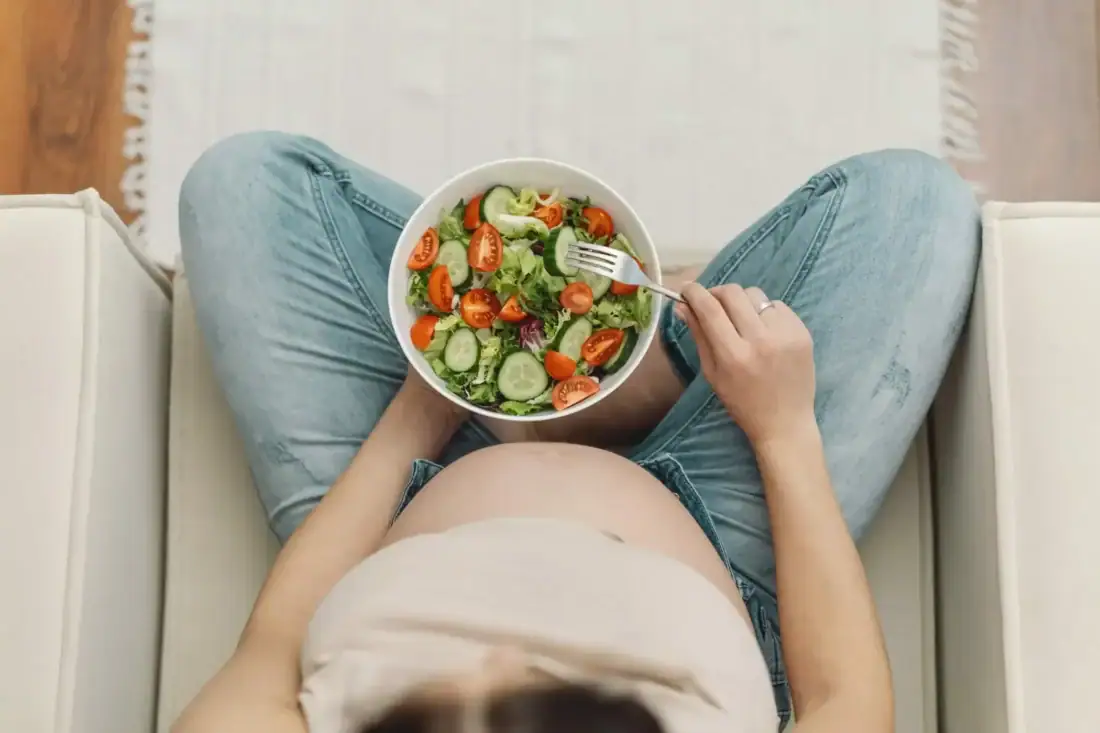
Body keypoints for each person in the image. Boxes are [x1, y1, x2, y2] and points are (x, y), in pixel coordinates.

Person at [171, 132, 980, 733]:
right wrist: (782, 429)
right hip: (718, 544)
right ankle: (641, 366)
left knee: (243, 184)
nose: (503, 648)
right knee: (912, 203)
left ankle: (577, 385)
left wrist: (421, 410)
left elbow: (273, 647)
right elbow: (845, 701)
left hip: (398, 495)